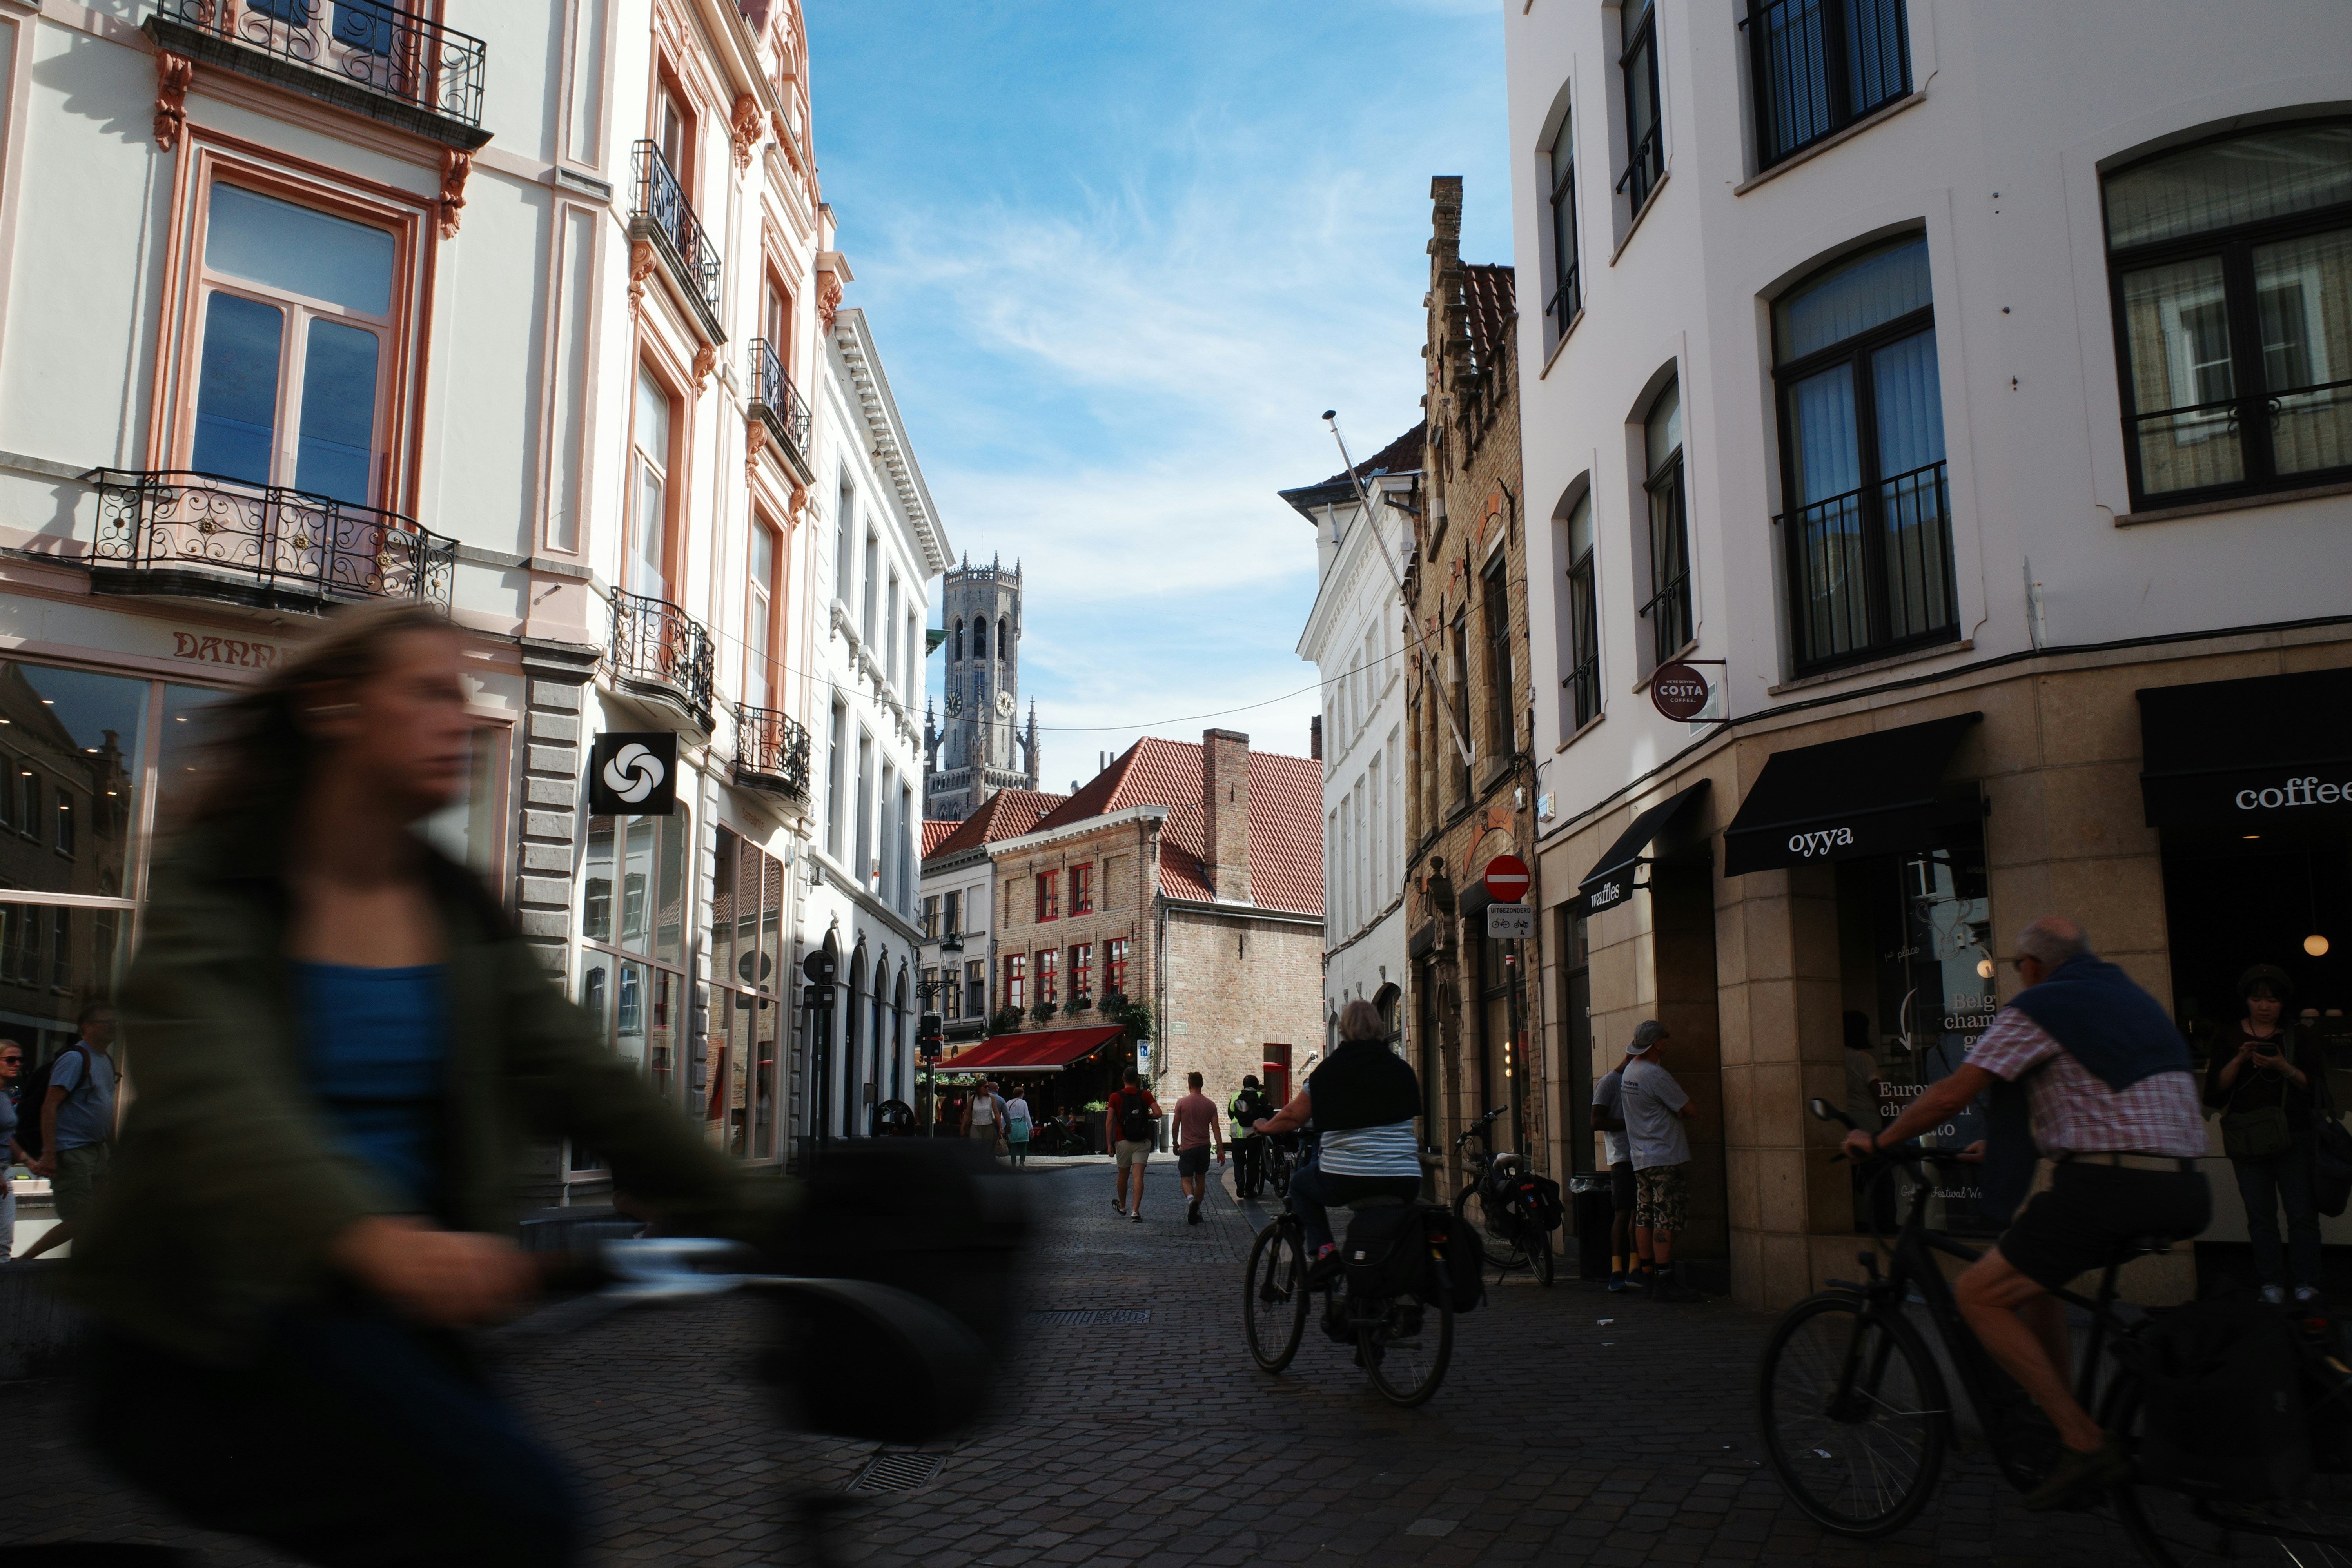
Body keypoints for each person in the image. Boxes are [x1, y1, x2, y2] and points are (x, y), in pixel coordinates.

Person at [65, 600, 766, 1568]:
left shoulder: (456, 911)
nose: (461, 715)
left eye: (465, 691)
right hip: (217, 1324)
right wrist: (374, 1238)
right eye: (430, 691)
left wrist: (764, 1204)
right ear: (336, 708)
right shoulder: (220, 884)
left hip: (398, 1328)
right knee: (519, 1513)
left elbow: (584, 1075)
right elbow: (222, 1102)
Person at [1844, 916, 2209, 1511]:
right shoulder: (2129, 999)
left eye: (2017, 966)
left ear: (2033, 968)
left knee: (1979, 1295)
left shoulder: (2041, 1005)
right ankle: (2059, 1413)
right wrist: (2024, 1145)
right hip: (2185, 1187)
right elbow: (2120, 1104)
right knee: (2031, 1278)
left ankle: (2083, 1441)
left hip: (2110, 1186)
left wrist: (1880, 1143)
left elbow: (1950, 1095)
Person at [1252, 1000, 1422, 1275]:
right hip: (1405, 1178)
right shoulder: (1402, 1070)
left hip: (1347, 1177)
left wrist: (1265, 1126)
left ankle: (1325, 1253)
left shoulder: (1329, 1072)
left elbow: (1294, 1116)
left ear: (1343, 1031)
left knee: (1301, 1186)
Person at [2205, 964, 2326, 1305]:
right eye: (2257, 999)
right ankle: (2270, 1283)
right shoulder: (2229, 1036)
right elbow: (2215, 1093)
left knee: (2302, 1214)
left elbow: (2318, 1088)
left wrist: (2284, 1067)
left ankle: (2306, 1283)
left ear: (2282, 1004)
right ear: (2246, 1000)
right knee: (2260, 1216)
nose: (2264, 1006)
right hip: (2248, 1138)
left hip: (2294, 1134)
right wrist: (2239, 1060)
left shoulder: (2299, 1036)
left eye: (2272, 1000)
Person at [22, 1002, 121, 1263]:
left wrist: (113, 1150)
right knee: (79, 1219)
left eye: (115, 1021)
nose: (113, 1026)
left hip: (97, 1151)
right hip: (72, 1152)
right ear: (86, 1028)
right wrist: (50, 1154)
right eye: (105, 1022)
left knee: (96, 1219)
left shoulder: (106, 1061)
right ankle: (24, 1260)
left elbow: (104, 1109)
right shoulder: (75, 1058)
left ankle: (82, 1266)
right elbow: (49, 1106)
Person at [1620, 1021, 1699, 1301]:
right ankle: (1665, 1278)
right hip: (1665, 1155)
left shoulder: (1630, 1072)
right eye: (1666, 1037)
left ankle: (1648, 1273)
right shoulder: (1655, 1074)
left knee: (1645, 1214)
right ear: (1658, 1044)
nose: (1668, 1040)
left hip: (1641, 1156)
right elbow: (1690, 1109)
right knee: (1666, 1215)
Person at [1590, 1058, 1636, 1293]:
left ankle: (1636, 1267)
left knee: (1640, 1213)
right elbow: (1596, 1121)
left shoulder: (1637, 1079)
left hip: (1644, 1155)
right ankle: (1616, 1271)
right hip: (1622, 1157)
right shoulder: (1609, 1083)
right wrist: (1631, 1124)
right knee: (1623, 1212)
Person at [1171, 1071, 1226, 1225]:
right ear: (1202, 1085)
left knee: (1186, 1180)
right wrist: (1220, 1149)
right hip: (1204, 1148)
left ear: (1189, 1085)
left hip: (1187, 1148)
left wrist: (1175, 1143)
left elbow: (1176, 1126)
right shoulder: (1210, 1105)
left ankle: (1191, 1201)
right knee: (1200, 1180)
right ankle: (1198, 1209)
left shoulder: (1182, 1103)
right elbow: (1216, 1129)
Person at [1105, 1069, 1160, 1222]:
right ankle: (1135, 1211)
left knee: (1123, 1175)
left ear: (1123, 1079)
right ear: (1137, 1079)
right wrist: (1145, 1116)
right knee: (1138, 1176)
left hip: (1122, 1140)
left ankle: (1122, 1206)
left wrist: (1109, 1144)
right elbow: (1158, 1113)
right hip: (1142, 1140)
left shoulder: (1115, 1097)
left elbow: (1110, 1120)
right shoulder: (1145, 1095)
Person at [1228, 1074, 1270, 1204]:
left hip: (1237, 1134)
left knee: (1238, 1160)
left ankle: (1240, 1180)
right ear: (1257, 1085)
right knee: (1253, 1162)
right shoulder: (1259, 1096)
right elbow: (1267, 1113)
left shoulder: (1236, 1096)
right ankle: (1249, 1190)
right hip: (1254, 1134)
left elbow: (1231, 1112)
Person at [0, 1037, 24, 1259]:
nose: (16, 1064)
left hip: (5, 1172)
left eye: (19, 1060)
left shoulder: (6, 1095)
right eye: (11, 1060)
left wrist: (28, 1161)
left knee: (3, 1244)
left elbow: (6, 1137)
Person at [962, 1079, 1007, 1154]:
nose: (987, 1089)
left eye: (988, 1087)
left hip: (988, 1126)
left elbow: (996, 1113)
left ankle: (985, 1164)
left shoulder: (991, 1098)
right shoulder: (973, 1099)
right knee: (975, 1149)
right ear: (979, 1088)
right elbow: (967, 1114)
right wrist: (963, 1127)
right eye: (985, 1087)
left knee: (987, 1150)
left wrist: (1000, 1128)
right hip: (976, 1127)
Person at [1003, 1085, 1033, 1166]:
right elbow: (1027, 1116)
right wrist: (1031, 1129)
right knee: (1024, 1145)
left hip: (1012, 1126)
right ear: (1021, 1094)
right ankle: (1022, 1164)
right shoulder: (1023, 1103)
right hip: (1022, 1124)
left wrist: (1002, 1128)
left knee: (1014, 1146)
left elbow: (1005, 1116)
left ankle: (1013, 1165)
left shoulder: (1008, 1103)